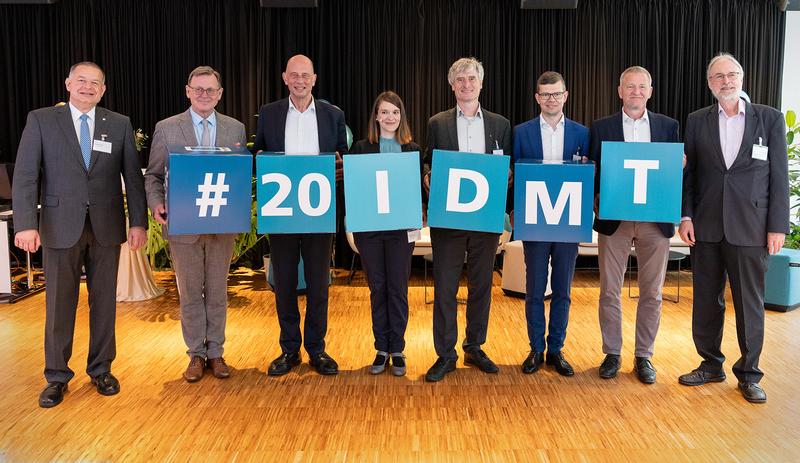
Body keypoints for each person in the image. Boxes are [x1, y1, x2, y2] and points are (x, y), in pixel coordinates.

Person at [12, 61, 147, 408]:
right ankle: (56, 376)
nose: (88, 87)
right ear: (69, 83)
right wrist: (26, 224)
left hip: (107, 227)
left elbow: (133, 177)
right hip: (59, 226)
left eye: (96, 83)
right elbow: (26, 175)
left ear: (103, 90)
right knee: (59, 305)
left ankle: (101, 369)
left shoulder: (118, 124)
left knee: (104, 302)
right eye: (82, 81)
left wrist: (137, 223)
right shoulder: (42, 120)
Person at [678, 53, 789, 404]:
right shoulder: (697, 121)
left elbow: (779, 177)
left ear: (742, 77)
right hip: (706, 226)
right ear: (710, 83)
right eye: (718, 76)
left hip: (752, 227)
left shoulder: (768, 119)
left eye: (732, 74)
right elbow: (690, 175)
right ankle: (710, 364)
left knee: (749, 304)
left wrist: (777, 226)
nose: (726, 81)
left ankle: (750, 374)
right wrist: (686, 216)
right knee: (706, 302)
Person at [144, 66, 247, 382]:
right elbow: (153, 176)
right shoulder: (167, 128)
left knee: (217, 292)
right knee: (190, 294)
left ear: (220, 94)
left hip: (221, 226)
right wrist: (156, 202)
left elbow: (239, 176)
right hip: (183, 226)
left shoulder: (235, 129)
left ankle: (216, 352)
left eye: (211, 90)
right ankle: (195, 355)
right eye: (198, 89)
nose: (205, 95)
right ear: (188, 91)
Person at [253, 54, 348, 376]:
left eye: (305, 75)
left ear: (314, 78)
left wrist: (339, 168)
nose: (300, 80)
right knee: (285, 283)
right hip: (282, 212)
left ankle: (317, 349)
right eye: (294, 74)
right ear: (284, 77)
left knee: (320, 284)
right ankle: (289, 350)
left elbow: (342, 158)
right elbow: (259, 154)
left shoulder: (333, 115)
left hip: (319, 211)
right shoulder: (269, 114)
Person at [422, 57, 512, 382]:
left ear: (481, 83)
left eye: (471, 79)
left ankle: (474, 346)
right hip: (449, 220)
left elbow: (507, 169)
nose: (466, 84)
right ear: (452, 85)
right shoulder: (437, 123)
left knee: (481, 286)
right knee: (445, 287)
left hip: (485, 220)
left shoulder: (501, 125)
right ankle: (445, 354)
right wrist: (428, 176)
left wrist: (509, 176)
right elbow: (428, 163)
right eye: (460, 80)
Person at [589, 66, 679, 384]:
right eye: (630, 86)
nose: (636, 91)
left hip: (655, 222)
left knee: (652, 292)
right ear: (620, 91)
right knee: (609, 291)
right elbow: (593, 172)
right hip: (615, 221)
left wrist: (678, 167)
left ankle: (644, 357)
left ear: (650, 91)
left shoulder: (669, 127)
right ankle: (612, 352)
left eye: (642, 86)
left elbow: (675, 175)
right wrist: (596, 195)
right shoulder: (601, 128)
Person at [512, 71, 589, 376]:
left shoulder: (582, 133)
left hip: (568, 223)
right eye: (545, 95)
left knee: (562, 290)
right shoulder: (521, 132)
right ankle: (535, 349)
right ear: (537, 98)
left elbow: (590, 174)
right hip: (535, 222)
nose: (551, 99)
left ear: (565, 96)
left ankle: (556, 349)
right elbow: (514, 177)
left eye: (556, 94)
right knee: (533, 289)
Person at [347, 91, 423, 376]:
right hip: (370, 231)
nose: (390, 117)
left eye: (395, 112)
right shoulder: (361, 148)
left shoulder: (412, 149)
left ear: (401, 117)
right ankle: (381, 348)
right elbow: (354, 190)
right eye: (385, 112)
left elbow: (416, 193)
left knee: (398, 290)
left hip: (401, 232)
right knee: (377, 288)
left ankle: (398, 348)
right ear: (376, 116)